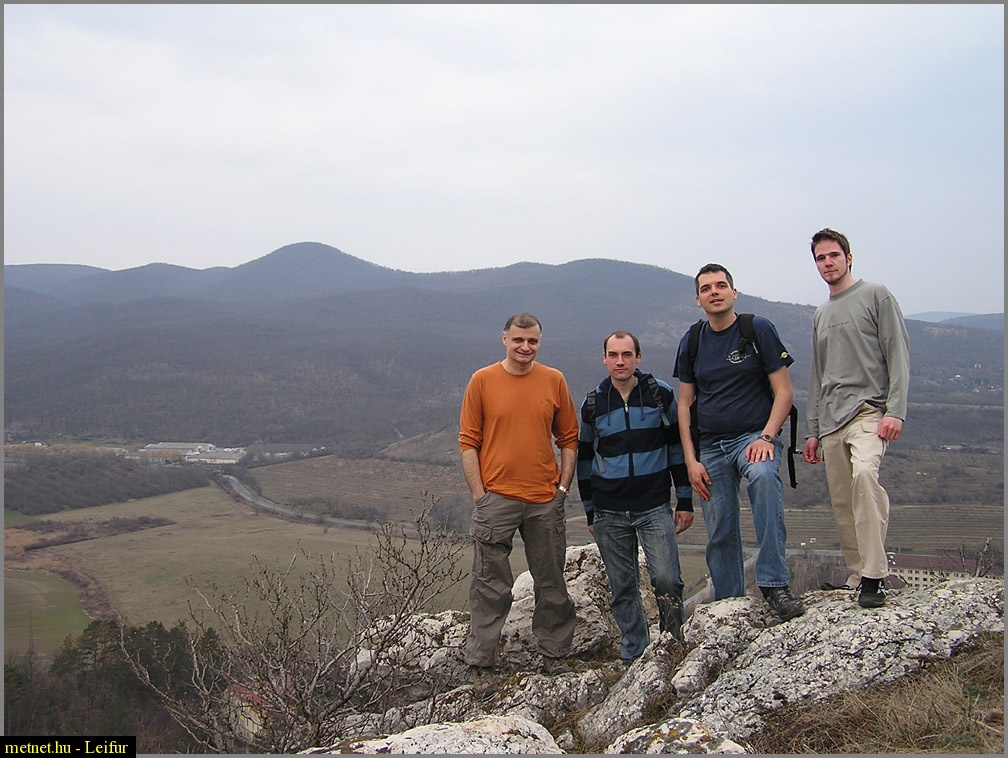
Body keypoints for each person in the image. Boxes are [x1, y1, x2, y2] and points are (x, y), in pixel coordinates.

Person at [673, 263, 805, 622]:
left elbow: (784, 392)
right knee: (719, 524)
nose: (714, 292)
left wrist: (767, 436)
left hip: (753, 437)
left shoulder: (757, 330)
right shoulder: (693, 340)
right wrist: (690, 461)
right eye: (706, 288)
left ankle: (774, 585)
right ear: (698, 299)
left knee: (763, 479)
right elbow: (684, 404)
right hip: (710, 445)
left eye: (720, 286)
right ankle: (729, 602)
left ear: (734, 292)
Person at [458, 312, 579, 675]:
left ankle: (555, 654)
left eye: (532, 341)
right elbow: (468, 441)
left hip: (544, 499)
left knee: (551, 579)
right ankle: (481, 662)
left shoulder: (554, 380)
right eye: (518, 340)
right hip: (496, 498)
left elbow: (569, 438)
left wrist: (562, 488)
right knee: (489, 584)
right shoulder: (482, 380)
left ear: (539, 342)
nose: (525, 347)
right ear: (505, 339)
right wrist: (480, 496)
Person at [802, 228, 910, 609]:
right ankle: (857, 574)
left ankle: (874, 576)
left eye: (833, 255)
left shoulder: (876, 296)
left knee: (865, 477)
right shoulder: (821, 314)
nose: (827, 263)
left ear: (848, 258)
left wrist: (895, 410)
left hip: (868, 411)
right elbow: (819, 375)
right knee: (843, 501)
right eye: (820, 258)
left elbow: (897, 354)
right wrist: (812, 431)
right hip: (831, 419)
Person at [576, 330, 695, 666]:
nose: (620, 361)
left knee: (667, 579)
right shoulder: (594, 403)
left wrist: (684, 499)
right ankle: (634, 655)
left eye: (627, 354)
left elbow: (677, 448)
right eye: (613, 355)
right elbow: (585, 460)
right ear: (604, 359)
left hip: (653, 505)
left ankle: (672, 646)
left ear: (638, 357)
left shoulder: (660, 394)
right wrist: (590, 512)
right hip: (609, 510)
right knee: (622, 587)